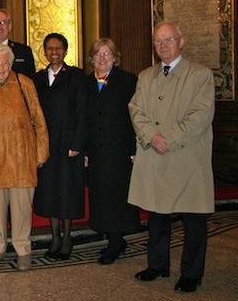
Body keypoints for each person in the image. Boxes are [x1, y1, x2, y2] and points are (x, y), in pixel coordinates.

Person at [128, 21, 215, 293]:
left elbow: (200, 116)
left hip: (186, 157)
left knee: (193, 218)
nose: (163, 46)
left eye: (168, 40)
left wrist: (168, 138)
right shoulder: (145, 76)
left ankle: (191, 272)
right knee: (157, 215)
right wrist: (151, 136)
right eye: (158, 41)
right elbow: (136, 110)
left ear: (181, 41)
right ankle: (157, 265)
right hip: (154, 155)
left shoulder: (200, 75)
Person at [0, 44, 49, 272]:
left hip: (22, 155)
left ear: (11, 63)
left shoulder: (25, 84)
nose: (1, 67)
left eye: (5, 63)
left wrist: (41, 152)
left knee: (22, 208)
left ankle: (23, 249)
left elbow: (39, 119)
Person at [32, 33, 88, 260]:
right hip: (46, 145)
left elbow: (83, 111)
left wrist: (78, 143)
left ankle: (67, 238)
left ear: (65, 50)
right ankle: (55, 236)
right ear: (44, 52)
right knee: (50, 191)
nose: (53, 52)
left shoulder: (76, 76)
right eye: (49, 49)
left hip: (68, 145)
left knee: (67, 192)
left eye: (58, 48)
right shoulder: (37, 79)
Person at [84, 38, 139, 265]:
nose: (102, 58)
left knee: (117, 197)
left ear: (115, 57)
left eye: (107, 54)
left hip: (120, 150)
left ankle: (116, 242)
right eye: (98, 54)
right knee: (101, 197)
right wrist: (85, 149)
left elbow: (137, 116)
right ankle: (111, 237)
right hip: (96, 150)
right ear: (92, 59)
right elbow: (84, 118)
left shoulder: (128, 81)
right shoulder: (86, 83)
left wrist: (136, 148)